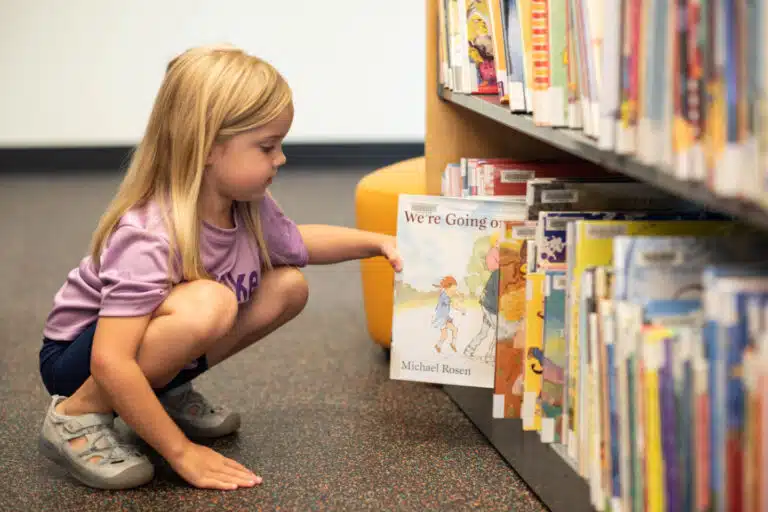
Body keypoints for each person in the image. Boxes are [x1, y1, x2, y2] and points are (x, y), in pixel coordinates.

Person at [37, 44, 403, 492]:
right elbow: (110, 359)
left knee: (288, 286)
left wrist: (379, 243)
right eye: (267, 146)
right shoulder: (149, 232)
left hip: (143, 342)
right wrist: (182, 453)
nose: (281, 159)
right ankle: (75, 416)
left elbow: (298, 243)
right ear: (208, 147)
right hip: (80, 360)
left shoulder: (246, 205)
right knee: (210, 302)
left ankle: (159, 390)